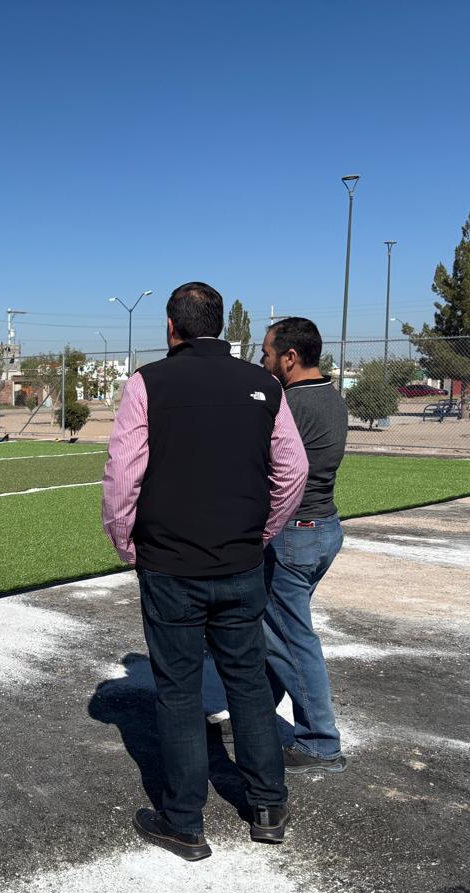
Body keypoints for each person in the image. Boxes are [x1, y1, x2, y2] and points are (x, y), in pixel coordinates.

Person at [102, 282, 308, 862]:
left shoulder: (147, 384)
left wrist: (125, 540)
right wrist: (261, 531)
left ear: (172, 326)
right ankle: (268, 806)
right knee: (247, 682)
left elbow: (124, 474)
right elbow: (294, 471)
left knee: (178, 692)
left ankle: (184, 820)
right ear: (220, 324)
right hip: (241, 564)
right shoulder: (264, 384)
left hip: (170, 565)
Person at [203, 317, 350, 773]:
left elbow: (264, 463)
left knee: (290, 638)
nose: (262, 361)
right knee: (273, 633)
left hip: (293, 535)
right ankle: (255, 715)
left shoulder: (291, 405)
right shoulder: (333, 398)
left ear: (290, 357)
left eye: (266, 353)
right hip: (323, 529)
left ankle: (320, 742)